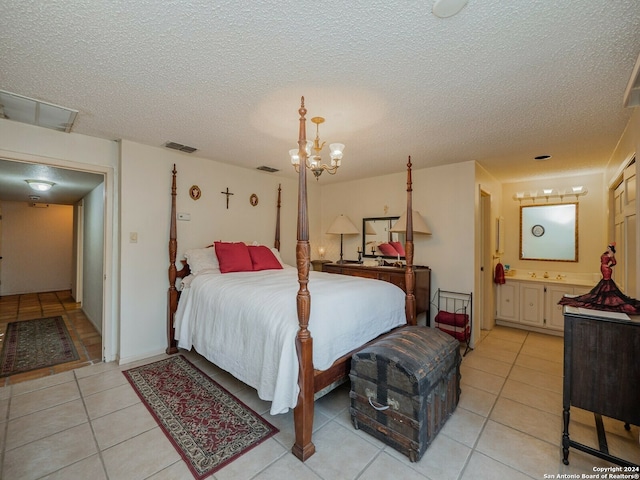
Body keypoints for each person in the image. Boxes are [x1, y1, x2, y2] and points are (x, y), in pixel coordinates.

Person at [558, 243, 640, 314]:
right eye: (607, 247)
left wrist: (609, 266)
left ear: (611, 249)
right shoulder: (606, 253)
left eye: (609, 247)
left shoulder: (610, 254)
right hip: (603, 268)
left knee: (607, 282)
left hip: (606, 269)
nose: (607, 248)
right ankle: (604, 296)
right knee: (605, 282)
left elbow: (614, 262)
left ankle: (606, 299)